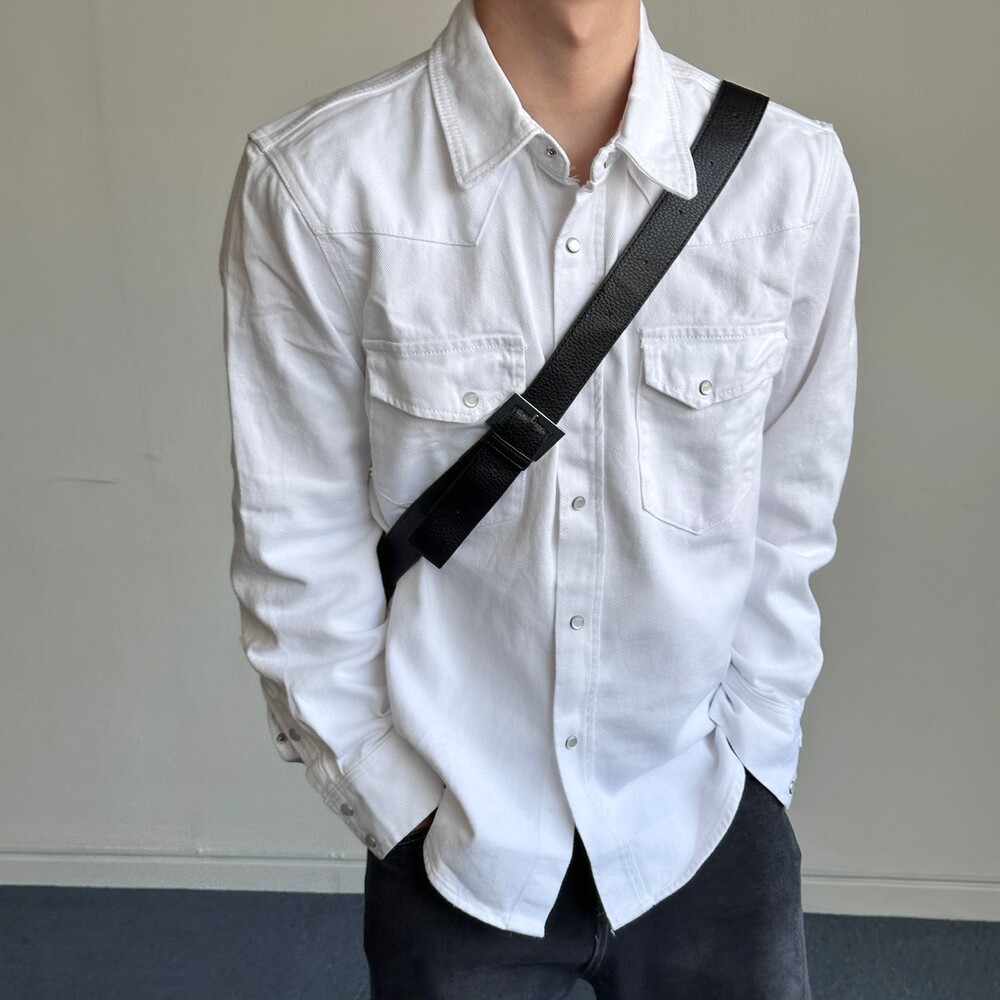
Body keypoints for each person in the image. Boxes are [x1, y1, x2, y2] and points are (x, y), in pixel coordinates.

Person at [218, 0, 860, 996]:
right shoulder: (318, 184)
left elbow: (789, 519)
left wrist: (756, 764)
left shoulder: (789, 175)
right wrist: (394, 803)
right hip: (452, 842)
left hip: (705, 820)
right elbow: (296, 544)